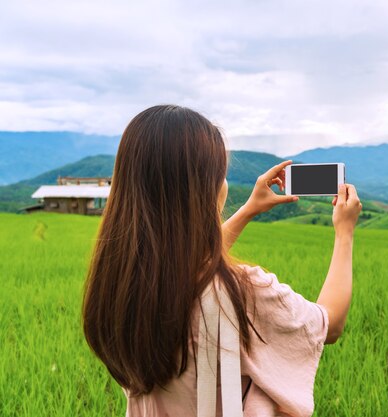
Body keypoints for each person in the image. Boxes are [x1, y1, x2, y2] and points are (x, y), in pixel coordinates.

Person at [81, 104, 362, 416]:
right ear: (204, 189)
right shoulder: (241, 291)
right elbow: (329, 324)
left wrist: (248, 210)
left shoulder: (119, 285)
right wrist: (344, 232)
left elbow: (189, 265)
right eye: (221, 174)